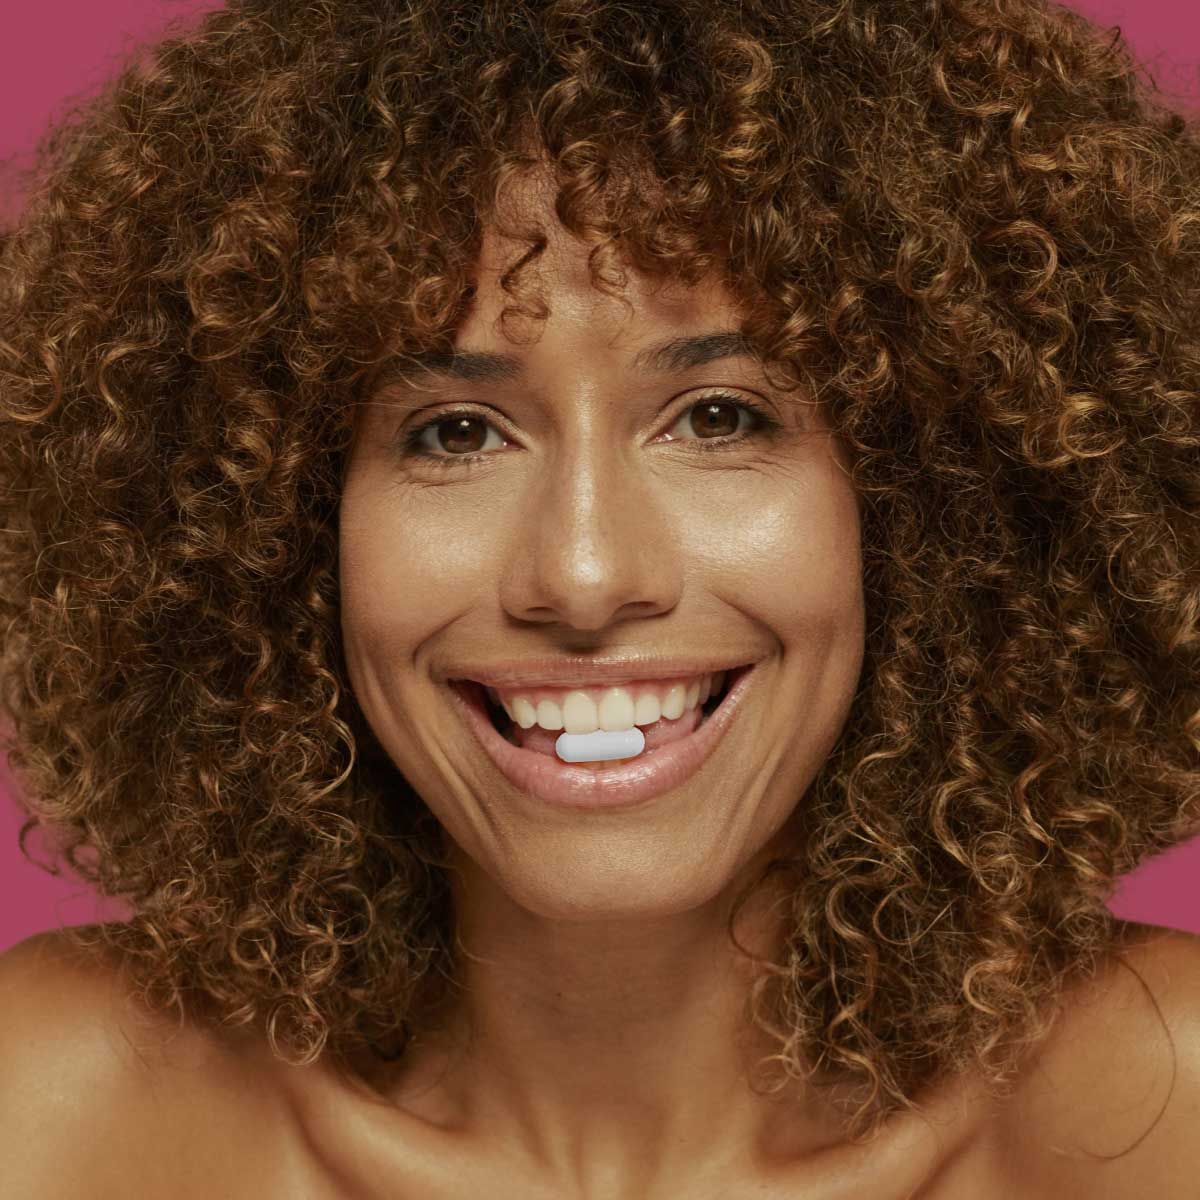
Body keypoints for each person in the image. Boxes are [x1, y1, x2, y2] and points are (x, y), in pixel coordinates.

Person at [1, 0, 1198, 1195]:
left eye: (720, 416)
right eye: (456, 432)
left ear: (940, 509)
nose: (582, 576)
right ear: (271, 529)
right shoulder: (67, 1103)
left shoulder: (1155, 1102)